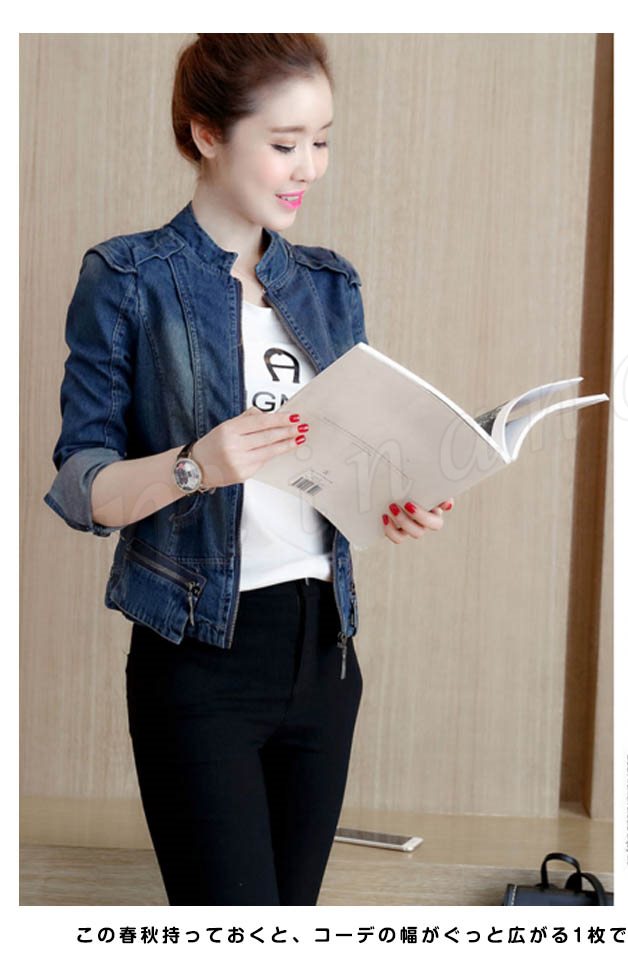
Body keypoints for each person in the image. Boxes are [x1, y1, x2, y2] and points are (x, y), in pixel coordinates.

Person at [43, 33, 455, 906]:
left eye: (322, 140)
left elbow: (345, 466)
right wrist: (197, 465)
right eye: (284, 143)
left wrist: (395, 500)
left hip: (326, 654)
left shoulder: (331, 285)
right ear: (206, 134)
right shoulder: (128, 277)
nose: (309, 167)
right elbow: (82, 485)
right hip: (200, 661)